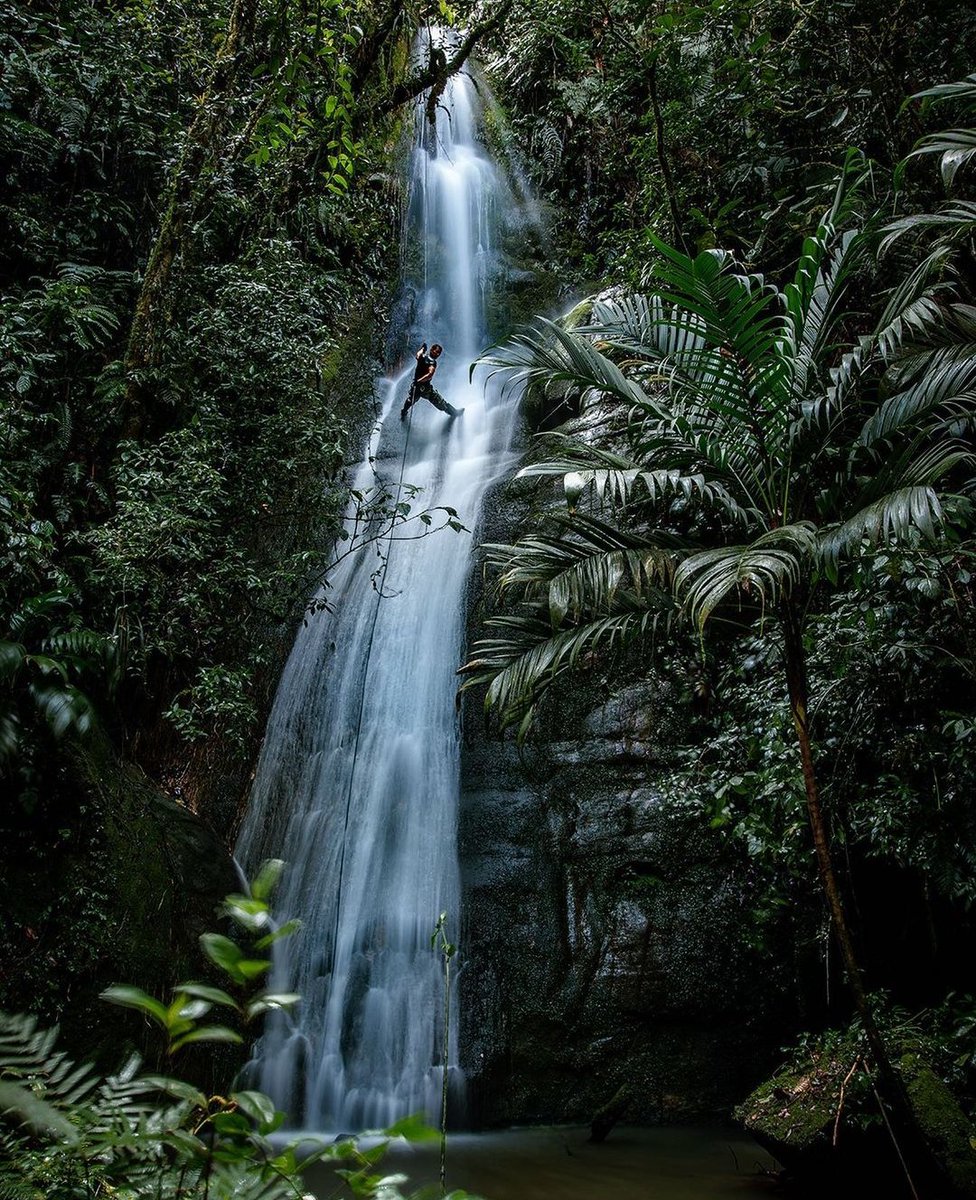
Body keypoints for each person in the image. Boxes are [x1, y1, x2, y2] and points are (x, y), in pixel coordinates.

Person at [400, 341, 463, 419]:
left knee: (411, 399)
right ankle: (454, 413)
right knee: (440, 402)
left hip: (416, 385)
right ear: (431, 350)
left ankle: (404, 411)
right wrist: (420, 380)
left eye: (439, 353)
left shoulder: (422, 356)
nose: (437, 354)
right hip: (425, 388)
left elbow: (417, 355)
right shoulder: (432, 362)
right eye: (436, 352)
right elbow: (430, 374)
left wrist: (423, 349)